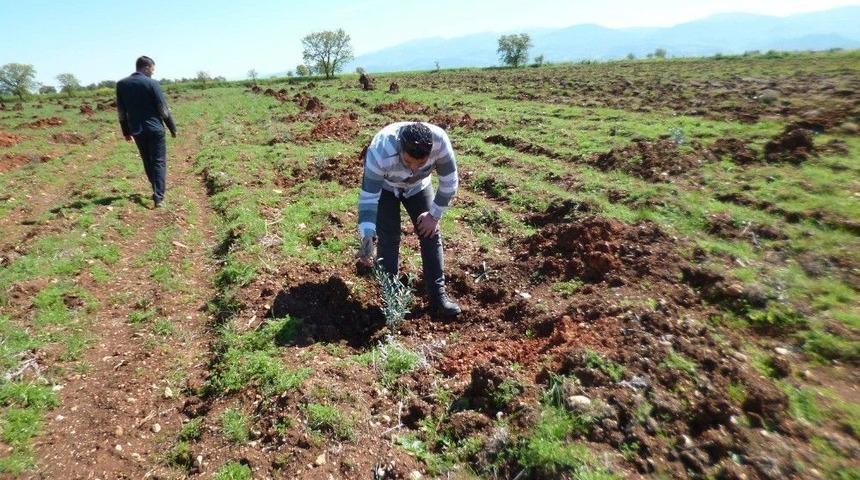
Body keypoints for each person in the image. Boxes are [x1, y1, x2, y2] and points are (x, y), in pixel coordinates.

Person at [357, 122, 461, 317]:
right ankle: (392, 300)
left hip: (419, 186)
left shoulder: (440, 142)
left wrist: (434, 215)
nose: (413, 168)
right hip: (386, 187)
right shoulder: (380, 151)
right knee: (388, 237)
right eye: (408, 161)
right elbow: (369, 197)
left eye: (420, 163)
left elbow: (449, 182)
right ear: (400, 148)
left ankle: (438, 299)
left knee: (430, 233)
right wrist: (367, 235)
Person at [116, 56, 177, 208]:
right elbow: (162, 108)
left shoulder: (121, 84)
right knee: (158, 161)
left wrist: (125, 131)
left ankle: (156, 189)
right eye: (152, 69)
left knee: (147, 161)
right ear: (146, 67)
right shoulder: (152, 83)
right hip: (155, 128)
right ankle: (159, 196)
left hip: (137, 130)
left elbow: (121, 111)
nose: (153, 73)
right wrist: (172, 127)